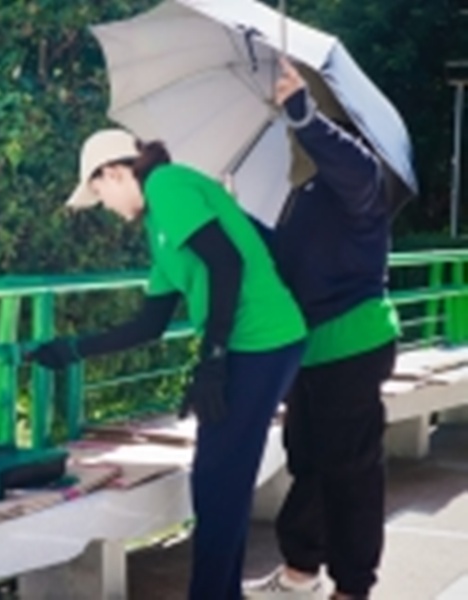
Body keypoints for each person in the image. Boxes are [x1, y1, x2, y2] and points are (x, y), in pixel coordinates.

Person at [26, 129, 307, 599]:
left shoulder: (167, 185)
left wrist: (213, 358)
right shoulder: (159, 226)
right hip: (247, 346)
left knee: (219, 480)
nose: (106, 207)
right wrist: (70, 350)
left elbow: (227, 264)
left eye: (100, 193)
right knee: (220, 479)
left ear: (114, 172)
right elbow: (149, 325)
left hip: (263, 341)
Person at [243, 58, 400, 600]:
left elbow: (351, 165)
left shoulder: (361, 177)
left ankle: (352, 588)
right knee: (307, 461)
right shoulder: (302, 197)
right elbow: (283, 263)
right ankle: (301, 571)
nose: (292, 139)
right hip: (308, 350)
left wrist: (303, 114)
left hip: (353, 341)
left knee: (351, 471)